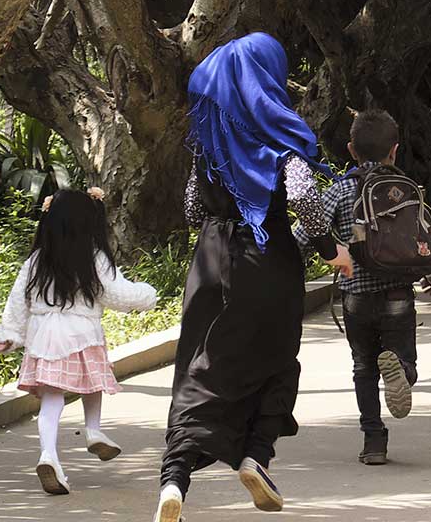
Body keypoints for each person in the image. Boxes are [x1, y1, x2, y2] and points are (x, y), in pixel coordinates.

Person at [156, 32, 353, 522]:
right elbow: (305, 200)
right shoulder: (280, 143)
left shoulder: (208, 146)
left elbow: (191, 208)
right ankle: (255, 457)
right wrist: (333, 252)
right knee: (275, 361)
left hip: (210, 259)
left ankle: (174, 479)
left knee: (199, 366)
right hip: (266, 260)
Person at [297, 109, 431, 467]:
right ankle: (402, 370)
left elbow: (303, 235)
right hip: (398, 293)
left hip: (356, 296)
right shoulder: (406, 188)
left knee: (363, 365)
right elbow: (425, 234)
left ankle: (374, 442)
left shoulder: (340, 190)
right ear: (394, 150)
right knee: (403, 356)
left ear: (351, 149)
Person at [0, 188, 158, 496]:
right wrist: (149, 295)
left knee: (52, 400)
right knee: (91, 385)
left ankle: (48, 455)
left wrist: (8, 336)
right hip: (82, 334)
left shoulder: (36, 260)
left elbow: (18, 302)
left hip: (44, 336)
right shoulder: (94, 258)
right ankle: (93, 430)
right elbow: (118, 295)